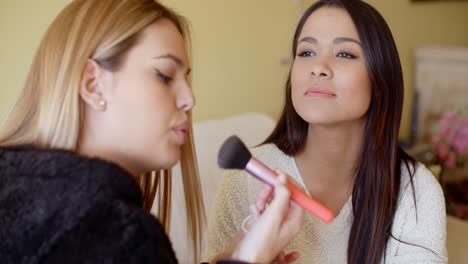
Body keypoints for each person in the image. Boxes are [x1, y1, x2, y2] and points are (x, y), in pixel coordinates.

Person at [0, 0, 303, 263]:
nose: (189, 98)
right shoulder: (116, 233)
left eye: (185, 78)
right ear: (93, 84)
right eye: (164, 75)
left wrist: (236, 258)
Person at [204, 0, 447, 263]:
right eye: (306, 52)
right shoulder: (246, 179)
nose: (318, 67)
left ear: (380, 79)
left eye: (345, 54)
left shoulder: (416, 192)